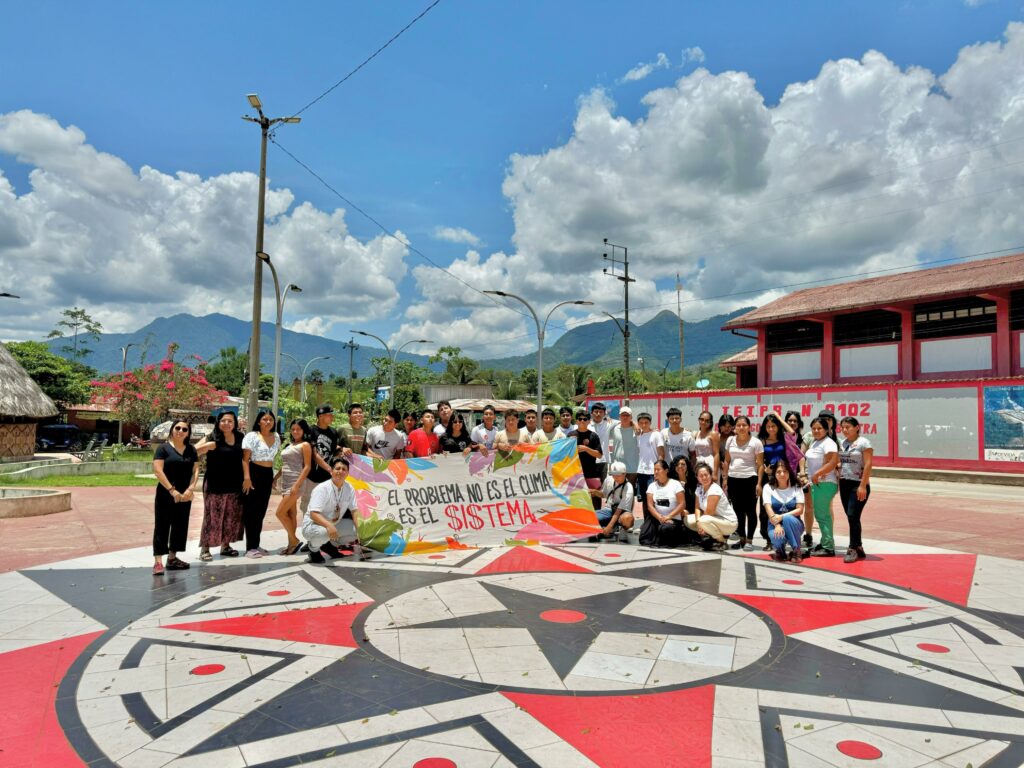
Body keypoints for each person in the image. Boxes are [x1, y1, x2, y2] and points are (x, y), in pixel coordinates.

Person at [152, 420, 199, 575]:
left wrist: (190, 489)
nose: (180, 431)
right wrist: (172, 490)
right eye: (177, 428)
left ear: (188, 432)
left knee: (180, 526)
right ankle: (158, 562)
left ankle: (172, 558)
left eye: (184, 429)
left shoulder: (191, 450)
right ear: (172, 430)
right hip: (166, 494)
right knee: (162, 526)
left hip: (185, 495)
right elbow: (158, 471)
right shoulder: (163, 448)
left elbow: (196, 471)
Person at [196, 410, 244, 562]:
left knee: (230, 516)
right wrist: (207, 447)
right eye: (223, 421)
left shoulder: (241, 437)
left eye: (230, 421)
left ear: (234, 423)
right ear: (218, 422)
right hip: (214, 484)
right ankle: (205, 548)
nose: (226, 424)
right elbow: (192, 451)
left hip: (235, 484)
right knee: (212, 517)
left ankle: (226, 546)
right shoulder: (211, 437)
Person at [241, 410, 281, 558]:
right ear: (259, 421)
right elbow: (245, 459)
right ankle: (250, 547)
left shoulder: (276, 437)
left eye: (271, 419)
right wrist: (247, 478)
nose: (268, 422)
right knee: (251, 511)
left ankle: (256, 544)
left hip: (267, 474)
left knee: (261, 512)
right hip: (253, 473)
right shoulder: (252, 436)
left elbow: (274, 457)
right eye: (265, 419)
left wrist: (274, 478)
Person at [302, 457, 356, 564]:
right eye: (338, 468)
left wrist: (360, 528)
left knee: (357, 531)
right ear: (331, 471)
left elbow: (354, 510)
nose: (341, 471)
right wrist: (329, 526)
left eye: (344, 469)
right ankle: (313, 549)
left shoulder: (349, 488)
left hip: (332, 524)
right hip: (313, 525)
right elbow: (313, 514)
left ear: (348, 473)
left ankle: (329, 546)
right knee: (323, 533)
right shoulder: (322, 488)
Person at [724, 415, 764, 552]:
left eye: (744, 425)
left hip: (750, 479)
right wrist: (725, 480)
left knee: (750, 511)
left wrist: (759, 484)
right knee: (737, 512)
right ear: (735, 427)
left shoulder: (756, 442)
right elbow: (727, 461)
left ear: (749, 427)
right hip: (733, 479)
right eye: (738, 425)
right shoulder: (730, 440)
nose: (741, 428)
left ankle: (749, 540)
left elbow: (760, 465)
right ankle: (741, 538)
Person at [274, 419, 312, 555]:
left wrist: (297, 485)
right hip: (285, 481)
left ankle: (295, 540)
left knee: (279, 513)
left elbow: (307, 467)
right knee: (291, 513)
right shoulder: (290, 444)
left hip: (296, 482)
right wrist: (276, 478)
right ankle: (291, 544)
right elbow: (285, 465)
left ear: (304, 431)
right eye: (293, 429)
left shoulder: (305, 445)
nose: (295, 431)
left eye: (298, 429)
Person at [838, 416, 873, 563]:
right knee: (852, 517)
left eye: (848, 427)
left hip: (858, 484)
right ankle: (858, 546)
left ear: (857, 427)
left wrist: (863, 485)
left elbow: (868, 464)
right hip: (844, 483)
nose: (845, 430)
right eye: (843, 427)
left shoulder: (864, 443)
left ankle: (852, 548)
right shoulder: (842, 443)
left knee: (853, 515)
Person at [805, 417, 840, 557]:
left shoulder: (829, 443)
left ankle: (828, 547)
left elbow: (832, 463)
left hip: (824, 483)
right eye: (814, 428)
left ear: (827, 429)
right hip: (817, 483)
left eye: (819, 428)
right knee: (821, 514)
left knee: (823, 515)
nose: (816, 431)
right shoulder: (815, 442)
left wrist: (816, 475)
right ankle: (825, 541)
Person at [687, 462, 738, 550]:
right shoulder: (699, 488)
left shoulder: (714, 489)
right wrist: (699, 524)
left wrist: (700, 524)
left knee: (703, 520)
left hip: (729, 523)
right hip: (714, 519)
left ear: (711, 475)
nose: (704, 478)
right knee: (688, 519)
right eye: (701, 475)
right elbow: (697, 508)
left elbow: (709, 512)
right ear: (697, 477)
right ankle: (712, 536)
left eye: (706, 475)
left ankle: (722, 541)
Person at [762, 459, 805, 562]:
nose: (782, 474)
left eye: (785, 471)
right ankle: (780, 550)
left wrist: (782, 516)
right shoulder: (768, 487)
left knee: (788, 518)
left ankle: (796, 550)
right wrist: (777, 525)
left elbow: (800, 510)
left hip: (794, 524)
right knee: (777, 538)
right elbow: (769, 510)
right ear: (774, 473)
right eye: (778, 471)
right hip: (774, 524)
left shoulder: (796, 487)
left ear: (789, 472)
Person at [640, 459, 686, 548]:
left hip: (673, 518)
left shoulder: (675, 484)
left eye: (658, 469)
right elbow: (650, 506)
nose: (656, 472)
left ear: (666, 470)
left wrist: (668, 517)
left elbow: (682, 504)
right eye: (654, 470)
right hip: (658, 518)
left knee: (665, 529)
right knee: (644, 538)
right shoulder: (652, 486)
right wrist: (660, 518)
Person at [785, 410, 814, 549]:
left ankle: (805, 535)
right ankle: (789, 535)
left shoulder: (803, 439)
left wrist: (802, 474)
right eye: (789, 420)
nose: (792, 423)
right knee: (789, 507)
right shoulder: (782, 438)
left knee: (804, 507)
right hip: (786, 477)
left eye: (795, 421)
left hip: (801, 477)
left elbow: (802, 457)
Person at [307, 404, 341, 508]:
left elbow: (334, 451)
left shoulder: (333, 432)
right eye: (329, 415)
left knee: (327, 506)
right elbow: (314, 454)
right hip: (312, 477)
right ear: (320, 416)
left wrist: (341, 452)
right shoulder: (310, 430)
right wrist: (329, 469)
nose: (332, 417)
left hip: (328, 477)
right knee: (309, 506)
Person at [594, 461, 635, 540]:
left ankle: (622, 529)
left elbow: (619, 510)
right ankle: (610, 527)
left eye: (618, 475)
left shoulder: (628, 487)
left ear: (624, 474)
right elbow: (604, 494)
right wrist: (595, 492)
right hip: (609, 510)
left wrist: (609, 527)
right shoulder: (609, 480)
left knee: (627, 519)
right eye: (613, 475)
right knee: (590, 517)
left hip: (621, 512)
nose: (615, 478)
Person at [635, 412, 665, 505]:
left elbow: (661, 454)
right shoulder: (638, 435)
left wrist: (659, 471)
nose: (644, 425)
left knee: (654, 499)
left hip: (653, 472)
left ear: (650, 422)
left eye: (646, 422)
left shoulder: (656, 434)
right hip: (641, 472)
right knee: (643, 499)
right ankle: (646, 520)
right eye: (641, 423)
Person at [573, 409, 604, 491]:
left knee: (595, 498)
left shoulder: (593, 436)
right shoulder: (570, 435)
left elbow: (599, 455)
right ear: (576, 421)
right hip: (575, 473)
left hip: (591, 472)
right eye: (580, 419)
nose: (582, 421)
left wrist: (586, 449)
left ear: (589, 421)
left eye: (585, 419)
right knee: (577, 500)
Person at [607, 406, 640, 483]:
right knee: (616, 490)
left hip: (632, 467)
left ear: (631, 417)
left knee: (630, 491)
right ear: (619, 417)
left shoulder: (637, 430)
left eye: (627, 415)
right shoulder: (614, 429)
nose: (625, 417)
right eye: (623, 415)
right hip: (617, 466)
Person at [694, 411, 720, 481]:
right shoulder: (697, 434)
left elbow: (716, 454)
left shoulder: (713, 434)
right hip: (699, 464)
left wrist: (715, 473)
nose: (703, 422)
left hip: (710, 464)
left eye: (707, 421)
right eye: (701, 419)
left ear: (710, 422)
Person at [589, 402, 612, 479]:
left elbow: (624, 422)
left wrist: (635, 424)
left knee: (603, 485)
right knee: (591, 485)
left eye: (601, 412)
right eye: (596, 412)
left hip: (604, 460)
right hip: (589, 460)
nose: (598, 414)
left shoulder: (609, 424)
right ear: (591, 413)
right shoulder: (587, 425)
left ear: (604, 413)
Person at [717, 414, 736, 483]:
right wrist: (719, 463)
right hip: (720, 468)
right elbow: (714, 453)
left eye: (729, 426)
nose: (726, 428)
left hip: (734, 468)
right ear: (719, 426)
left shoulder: (736, 437)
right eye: (724, 426)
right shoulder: (716, 438)